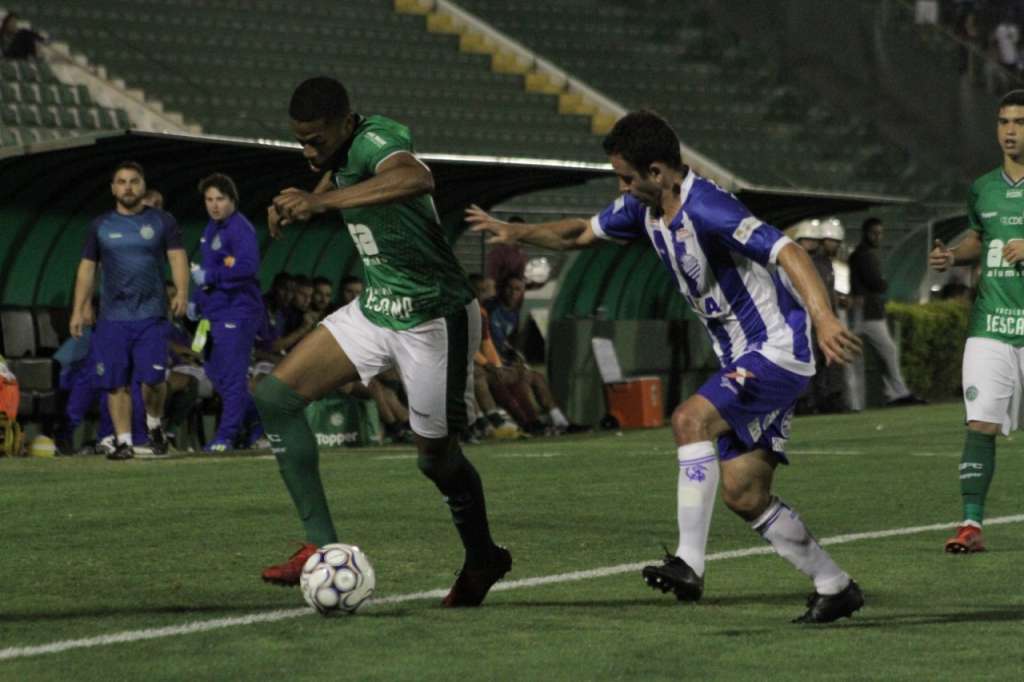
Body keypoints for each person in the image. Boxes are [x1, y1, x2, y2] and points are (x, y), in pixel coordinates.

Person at [467, 110, 865, 623]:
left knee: (688, 420)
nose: (622, 187)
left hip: (776, 348)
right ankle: (835, 586)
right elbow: (577, 234)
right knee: (745, 494)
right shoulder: (644, 210)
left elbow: (787, 250)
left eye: (627, 177)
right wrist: (516, 231)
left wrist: (825, 318)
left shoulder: (709, 207)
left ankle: (688, 565)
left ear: (658, 172)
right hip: (743, 354)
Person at [252, 76, 510, 607]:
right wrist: (308, 198)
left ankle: (483, 555)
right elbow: (338, 174)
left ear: (346, 124)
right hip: (377, 307)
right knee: (276, 398)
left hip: (433, 317)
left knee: (435, 461)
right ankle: (322, 548)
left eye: (315, 140)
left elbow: (414, 178)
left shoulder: (374, 138)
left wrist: (321, 203)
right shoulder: (341, 156)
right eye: (299, 140)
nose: (307, 151)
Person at [929, 89, 1024, 553]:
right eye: (1004, 122)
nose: (1010, 131)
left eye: (1020, 122)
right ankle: (971, 524)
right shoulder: (983, 187)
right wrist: (952, 253)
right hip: (991, 327)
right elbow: (978, 237)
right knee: (980, 424)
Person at [69, 161, 188, 460]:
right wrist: (78, 308)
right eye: (121, 182)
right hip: (113, 318)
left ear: (143, 185)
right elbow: (87, 269)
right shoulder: (100, 226)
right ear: (113, 188)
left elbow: (177, 258)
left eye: (134, 181)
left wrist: (183, 292)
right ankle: (123, 442)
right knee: (115, 383)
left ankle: (154, 424)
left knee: (153, 382)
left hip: (151, 315)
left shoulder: (163, 222)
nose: (128, 187)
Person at [190, 173, 265, 452]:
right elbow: (206, 272)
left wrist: (211, 277)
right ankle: (257, 421)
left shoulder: (240, 229)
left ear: (232, 200)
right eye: (209, 200)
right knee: (215, 373)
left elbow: (247, 268)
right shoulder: (210, 229)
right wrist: (198, 300)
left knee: (233, 378)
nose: (214, 205)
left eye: (220, 199)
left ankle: (225, 437)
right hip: (216, 313)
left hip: (238, 311)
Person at [848, 218, 926, 407]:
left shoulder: (862, 254)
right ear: (866, 233)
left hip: (865, 311)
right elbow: (877, 283)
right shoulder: (865, 255)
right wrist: (882, 282)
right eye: (875, 233)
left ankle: (890, 393)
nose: (878, 237)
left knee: (869, 353)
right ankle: (896, 393)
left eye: (880, 233)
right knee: (886, 351)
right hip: (868, 312)